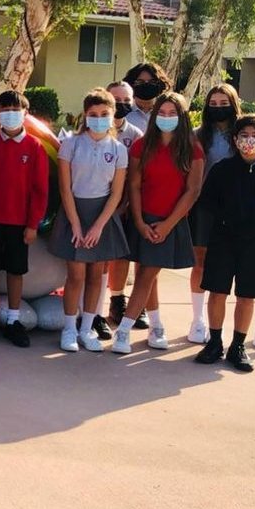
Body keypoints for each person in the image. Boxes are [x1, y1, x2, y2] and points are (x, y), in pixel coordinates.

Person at [111, 92, 204, 355]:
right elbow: (134, 185)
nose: (166, 118)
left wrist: (168, 225)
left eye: (172, 113)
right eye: (161, 113)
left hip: (170, 222)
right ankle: (156, 325)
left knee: (147, 274)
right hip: (144, 219)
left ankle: (124, 331)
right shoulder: (142, 146)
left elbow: (193, 190)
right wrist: (140, 222)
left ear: (182, 116)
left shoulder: (192, 149)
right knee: (146, 275)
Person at [195, 115, 255, 373]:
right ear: (235, 140)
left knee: (247, 295)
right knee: (218, 291)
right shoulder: (222, 169)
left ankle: (238, 345)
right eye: (244, 136)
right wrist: (225, 218)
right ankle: (214, 343)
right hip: (223, 239)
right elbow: (207, 200)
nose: (249, 141)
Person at [49, 88, 129, 353]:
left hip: (102, 218)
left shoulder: (118, 149)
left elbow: (116, 192)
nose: (98, 118)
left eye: (104, 114)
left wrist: (98, 226)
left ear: (112, 115)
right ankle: (69, 329)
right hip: (75, 212)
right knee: (76, 276)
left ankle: (87, 328)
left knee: (97, 275)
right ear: (85, 115)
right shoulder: (71, 144)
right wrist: (75, 223)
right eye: (93, 114)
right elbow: (65, 188)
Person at [0, 90, 49, 348]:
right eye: (4, 110)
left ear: (25, 114)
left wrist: (32, 224)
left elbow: (40, 191)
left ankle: (14, 320)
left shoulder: (34, 148)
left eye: (15, 110)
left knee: (16, 271)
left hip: (20, 224)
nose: (10, 115)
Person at [110, 63, 172, 329]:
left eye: (150, 81)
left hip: (152, 192)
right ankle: (117, 300)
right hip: (120, 193)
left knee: (148, 257)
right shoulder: (123, 115)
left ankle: (143, 305)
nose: (144, 86)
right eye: (139, 81)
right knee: (121, 254)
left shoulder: (167, 114)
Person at [188, 84, 240, 344]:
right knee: (200, 262)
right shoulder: (198, 135)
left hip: (235, 208)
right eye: (213, 103)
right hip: (203, 207)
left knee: (225, 264)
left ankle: (218, 323)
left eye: (224, 103)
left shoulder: (243, 133)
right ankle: (197, 320)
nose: (218, 108)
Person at [100, 80, 145, 340]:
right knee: (97, 260)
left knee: (121, 256)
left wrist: (127, 204)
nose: (121, 105)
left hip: (125, 206)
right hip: (95, 203)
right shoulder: (91, 130)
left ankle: (117, 301)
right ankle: (92, 310)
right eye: (116, 99)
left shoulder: (136, 135)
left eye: (126, 100)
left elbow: (136, 176)